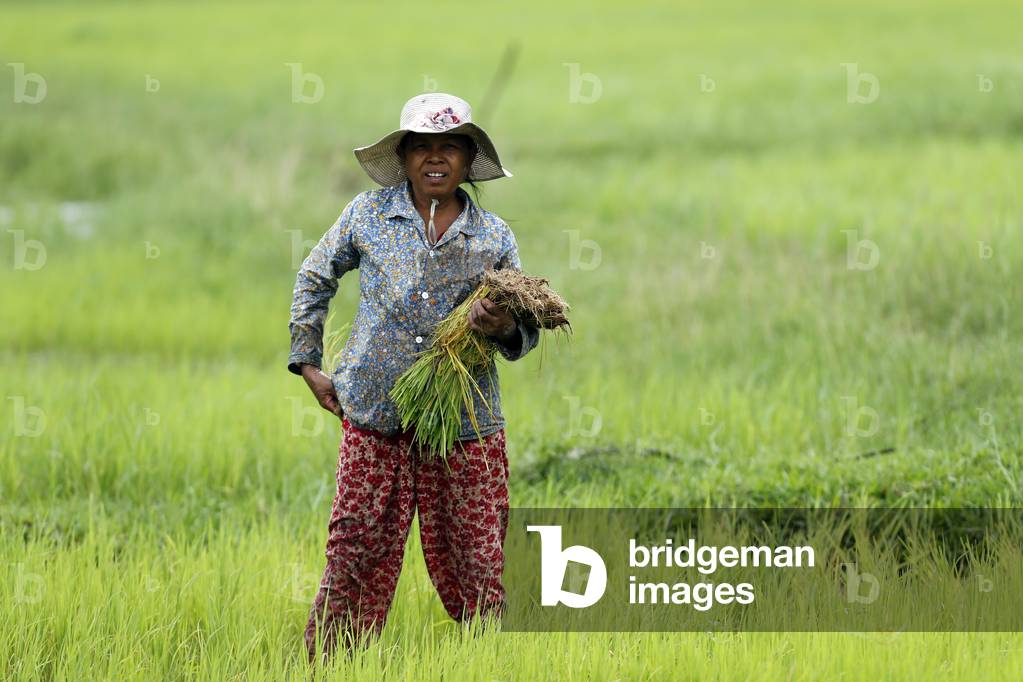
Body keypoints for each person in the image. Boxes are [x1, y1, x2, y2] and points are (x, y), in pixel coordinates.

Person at [287, 92, 540, 662]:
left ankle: (490, 664)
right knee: (354, 550)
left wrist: (500, 324)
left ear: (467, 158)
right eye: (421, 146)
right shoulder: (368, 216)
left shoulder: (493, 237)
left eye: (448, 146)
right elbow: (314, 276)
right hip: (375, 417)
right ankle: (331, 666)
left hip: (465, 427)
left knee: (479, 558)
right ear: (402, 157)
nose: (434, 158)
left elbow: (524, 336)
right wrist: (308, 362)